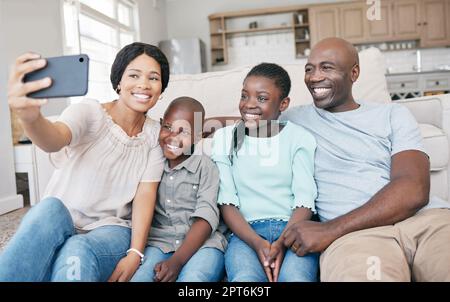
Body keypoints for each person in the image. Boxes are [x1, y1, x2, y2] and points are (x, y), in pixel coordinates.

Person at [280, 37, 450, 281]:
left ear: (354, 73)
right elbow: (244, 120)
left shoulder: (392, 114)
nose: (314, 77)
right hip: (356, 239)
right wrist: (203, 125)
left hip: (426, 222)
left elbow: (414, 189)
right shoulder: (294, 119)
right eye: (309, 69)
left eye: (326, 67)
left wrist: (329, 229)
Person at [0, 42, 169, 282]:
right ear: (118, 82)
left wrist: (135, 252)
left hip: (111, 229)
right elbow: (54, 139)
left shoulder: (155, 135)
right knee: (47, 207)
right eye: (134, 75)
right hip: (63, 218)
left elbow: (145, 195)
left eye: (154, 78)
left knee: (77, 249)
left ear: (161, 89)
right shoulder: (89, 112)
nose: (143, 84)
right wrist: (30, 118)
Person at [211, 63, 319, 282]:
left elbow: (304, 200)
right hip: (245, 234)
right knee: (245, 278)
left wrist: (281, 243)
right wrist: (257, 242)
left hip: (293, 231)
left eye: (261, 98)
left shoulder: (299, 138)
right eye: (244, 96)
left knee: (296, 278)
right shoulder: (224, 139)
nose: (249, 105)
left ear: (283, 103)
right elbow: (227, 202)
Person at [130, 97, 227, 282]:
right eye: (167, 127)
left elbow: (206, 218)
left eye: (184, 132)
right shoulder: (152, 162)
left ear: (198, 137)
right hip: (159, 242)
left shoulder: (206, 167)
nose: (173, 136)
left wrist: (177, 261)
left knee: (194, 278)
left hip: (203, 244)